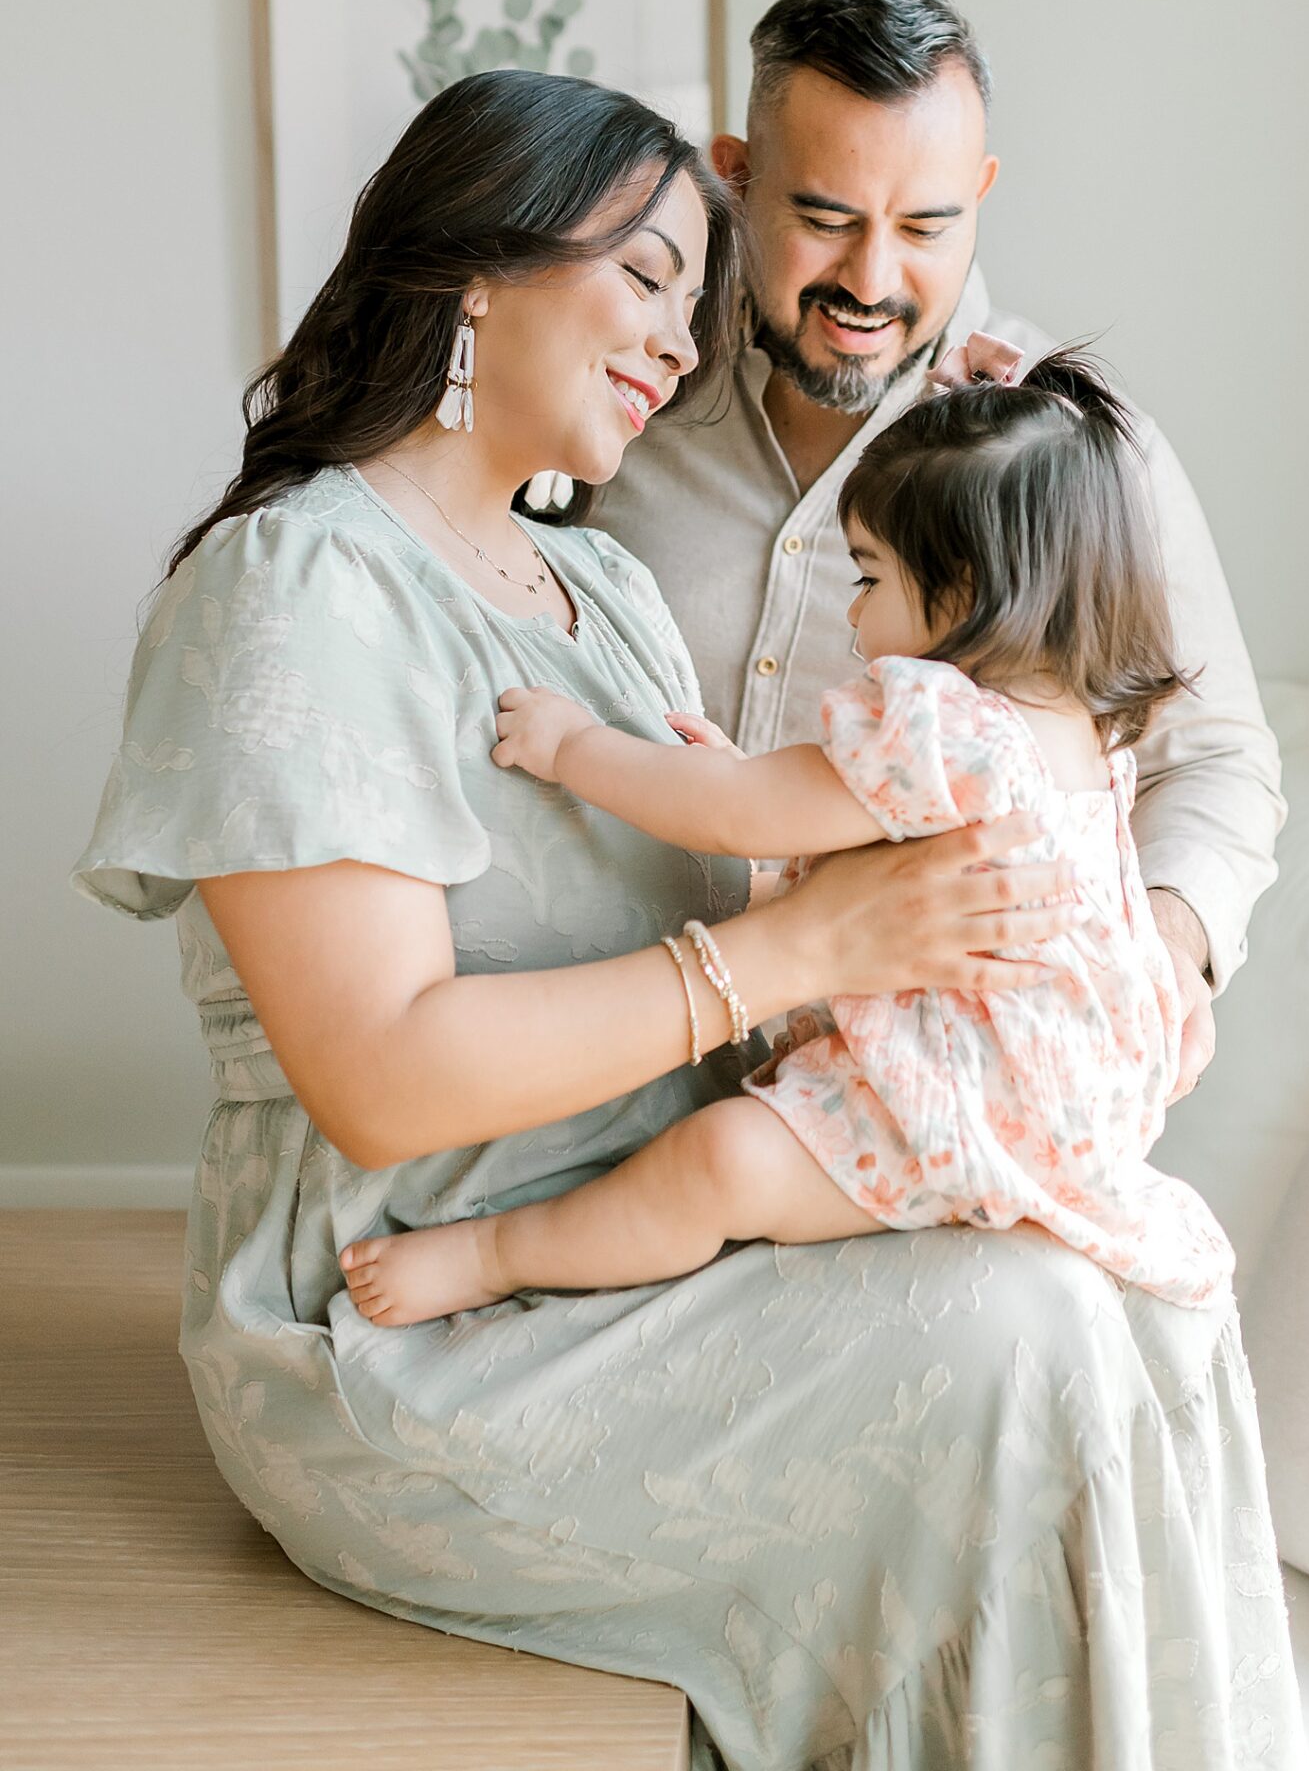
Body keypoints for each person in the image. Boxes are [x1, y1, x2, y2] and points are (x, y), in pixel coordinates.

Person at [74, 69, 1307, 1768]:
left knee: (1117, 1294)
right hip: (409, 1322)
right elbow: (379, 1081)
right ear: (477, 275)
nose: (683, 334)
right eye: (649, 276)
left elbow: (790, 829)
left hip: (671, 1244)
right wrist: (802, 948)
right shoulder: (298, 588)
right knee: (1021, 1346)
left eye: (695, 291)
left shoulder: (607, 590)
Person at [339, 352, 1236, 1330]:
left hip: (956, 1114)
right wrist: (764, 791)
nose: (853, 615)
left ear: (964, 589)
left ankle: (492, 1254)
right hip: (1063, 1127)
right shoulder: (1082, 737)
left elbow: (738, 813)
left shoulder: (945, 722)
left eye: (869, 576)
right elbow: (825, 832)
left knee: (717, 1164)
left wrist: (576, 748)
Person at [594, 0, 1285, 1104]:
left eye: (925, 227)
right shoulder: (622, 383)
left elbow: (1213, 758)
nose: (871, 281)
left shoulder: (1065, 458)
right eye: (826, 219)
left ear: (981, 194)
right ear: (736, 178)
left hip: (910, 1112)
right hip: (600, 1077)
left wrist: (1166, 946)